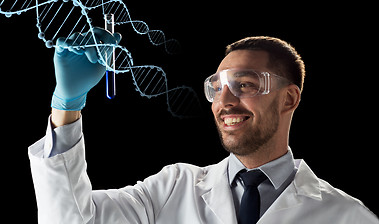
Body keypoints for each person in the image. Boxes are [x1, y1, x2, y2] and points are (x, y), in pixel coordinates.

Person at [28, 28, 378, 223]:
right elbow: (70, 220)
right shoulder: (171, 189)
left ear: (289, 99)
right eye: (217, 87)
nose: (224, 102)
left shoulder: (348, 217)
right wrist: (66, 106)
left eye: (245, 85)